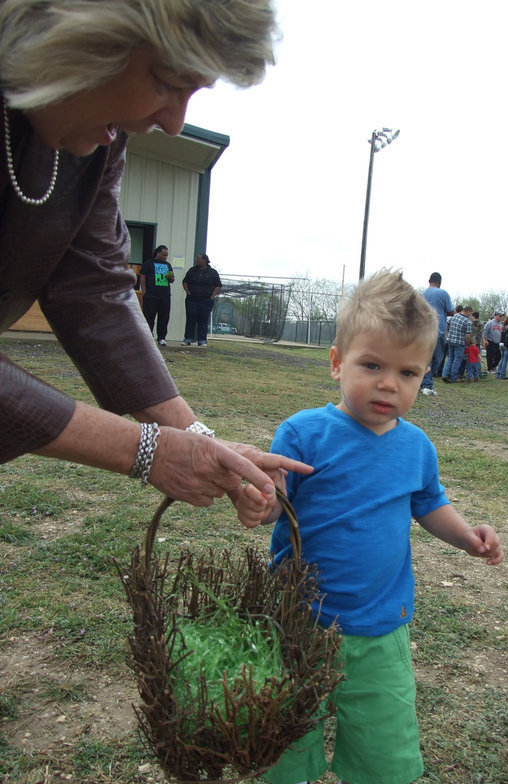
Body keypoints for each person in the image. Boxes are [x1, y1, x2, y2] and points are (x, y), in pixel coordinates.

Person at [0, 0, 312, 516]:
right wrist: (146, 450)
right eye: (168, 83)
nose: (173, 123)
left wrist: (198, 439)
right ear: (80, 32)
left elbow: (93, 286)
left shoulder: (97, 134)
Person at [237, 270, 504, 784]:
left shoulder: (416, 448)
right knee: (288, 715)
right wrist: (260, 501)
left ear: (423, 376)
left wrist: (466, 537)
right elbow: (276, 506)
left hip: (382, 623)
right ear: (338, 363)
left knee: (378, 728)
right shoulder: (303, 433)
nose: (389, 384)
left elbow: (429, 505)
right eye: (372, 365)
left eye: (408, 373)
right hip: (301, 616)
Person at [419, 271, 454, 397]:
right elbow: (451, 311)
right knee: (438, 358)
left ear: (429, 281)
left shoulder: (422, 294)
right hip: (437, 331)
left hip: (423, 331)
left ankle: (422, 381)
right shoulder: (443, 293)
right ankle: (427, 384)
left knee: (426, 358)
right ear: (440, 283)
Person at [182, 253, 222, 347]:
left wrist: (212, 295)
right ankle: (188, 338)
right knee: (190, 319)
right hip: (192, 299)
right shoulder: (192, 271)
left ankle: (202, 340)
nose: (197, 260)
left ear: (205, 260)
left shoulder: (212, 272)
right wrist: (187, 291)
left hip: (206, 300)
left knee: (203, 320)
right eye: (197, 258)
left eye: (199, 258)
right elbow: (185, 281)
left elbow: (218, 285)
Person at [139, 244, 174, 346]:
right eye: (163, 255)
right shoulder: (149, 263)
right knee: (149, 317)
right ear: (157, 253)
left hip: (165, 296)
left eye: (166, 255)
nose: (165, 257)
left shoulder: (168, 265)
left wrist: (171, 278)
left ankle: (162, 338)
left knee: (164, 317)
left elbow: (172, 280)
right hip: (151, 295)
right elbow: (142, 276)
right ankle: (148, 337)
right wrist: (144, 291)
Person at [442, 305, 472, 383]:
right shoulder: (467, 321)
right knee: (457, 359)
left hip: (451, 340)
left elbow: (447, 324)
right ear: (468, 311)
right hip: (460, 342)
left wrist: (447, 335)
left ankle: (445, 374)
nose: (470, 315)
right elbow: (468, 335)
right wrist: (468, 343)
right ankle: (453, 377)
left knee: (450, 357)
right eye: (470, 313)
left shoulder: (454, 316)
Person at [496, 314, 508, 380]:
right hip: (507, 344)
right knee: (505, 360)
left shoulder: (502, 326)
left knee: (502, 358)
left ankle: (498, 372)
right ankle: (502, 374)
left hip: (501, 343)